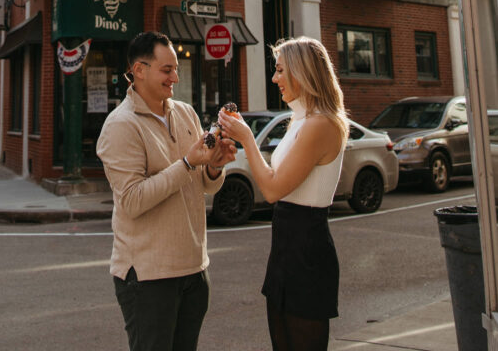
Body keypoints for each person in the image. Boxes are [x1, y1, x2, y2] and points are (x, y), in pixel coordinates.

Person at [96, 31, 237, 351]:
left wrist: (214, 166)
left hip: (194, 270)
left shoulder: (185, 112)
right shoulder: (121, 125)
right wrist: (188, 162)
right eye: (167, 69)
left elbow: (203, 184)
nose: (175, 76)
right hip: (147, 277)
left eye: (176, 68)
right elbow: (131, 201)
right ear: (139, 70)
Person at [218, 36, 349, 351]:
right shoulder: (301, 119)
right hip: (285, 247)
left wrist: (247, 139)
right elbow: (277, 178)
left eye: (279, 70)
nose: (274, 78)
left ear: (301, 72)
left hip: (307, 248)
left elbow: (273, 189)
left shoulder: (321, 124)